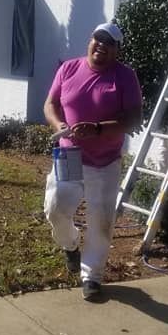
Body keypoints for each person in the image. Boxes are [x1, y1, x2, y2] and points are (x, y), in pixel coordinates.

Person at [43, 22, 142, 302]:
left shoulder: (124, 77)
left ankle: (92, 276)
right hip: (69, 154)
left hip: (105, 160)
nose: (101, 45)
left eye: (109, 42)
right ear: (90, 40)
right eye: (98, 38)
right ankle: (70, 244)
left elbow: (134, 118)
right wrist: (58, 124)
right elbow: (50, 104)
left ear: (116, 50)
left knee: (101, 221)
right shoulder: (69, 69)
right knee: (56, 207)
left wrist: (98, 129)